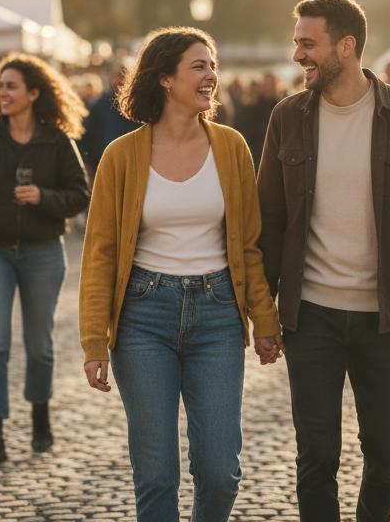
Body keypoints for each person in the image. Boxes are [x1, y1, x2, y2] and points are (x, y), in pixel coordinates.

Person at [257, 0, 390, 520]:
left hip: (386, 317)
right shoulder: (288, 117)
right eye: (297, 42)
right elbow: (268, 221)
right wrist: (262, 312)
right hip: (311, 316)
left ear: (346, 46)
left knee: (388, 457)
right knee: (317, 458)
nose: (297, 54)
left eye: (307, 43)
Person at [78, 27, 282, 522]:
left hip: (218, 316)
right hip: (142, 318)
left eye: (213, 64)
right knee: (156, 475)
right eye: (199, 66)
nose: (211, 75)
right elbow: (100, 253)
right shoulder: (121, 156)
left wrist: (266, 320)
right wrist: (93, 343)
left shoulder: (232, 147)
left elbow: (250, 245)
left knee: (220, 471)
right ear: (166, 78)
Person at [0, 53, 92, 465]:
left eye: (11, 85)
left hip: (43, 251)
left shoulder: (57, 140)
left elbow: (80, 195)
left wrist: (43, 198)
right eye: (0, 85)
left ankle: (40, 419)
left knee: (40, 346)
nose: (3, 92)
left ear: (33, 93)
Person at [80, 64, 140, 172]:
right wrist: (90, 161)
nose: (121, 81)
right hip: (105, 164)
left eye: (124, 77)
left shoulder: (139, 104)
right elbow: (88, 133)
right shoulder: (101, 104)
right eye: (118, 76)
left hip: (132, 165)